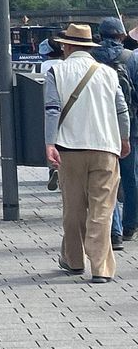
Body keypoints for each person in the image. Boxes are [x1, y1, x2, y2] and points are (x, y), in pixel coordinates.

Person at [45, 23, 130, 284]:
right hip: (105, 147)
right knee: (102, 209)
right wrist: (124, 138)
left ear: (66, 46)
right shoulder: (107, 72)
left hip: (70, 149)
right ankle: (101, 267)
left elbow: (52, 109)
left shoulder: (56, 71)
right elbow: (121, 109)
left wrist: (50, 143)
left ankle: (74, 260)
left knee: (73, 208)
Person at [94, 18, 135, 248]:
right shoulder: (131, 58)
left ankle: (113, 230)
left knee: (104, 182)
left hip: (99, 127)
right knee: (130, 177)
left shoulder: (90, 58)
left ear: (100, 35)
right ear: (121, 35)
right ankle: (130, 224)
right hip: (130, 124)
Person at [40, 38, 66, 191]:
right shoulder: (64, 66)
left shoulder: (43, 66)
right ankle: (62, 169)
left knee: (51, 142)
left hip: (48, 108)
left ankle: (53, 167)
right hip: (65, 109)